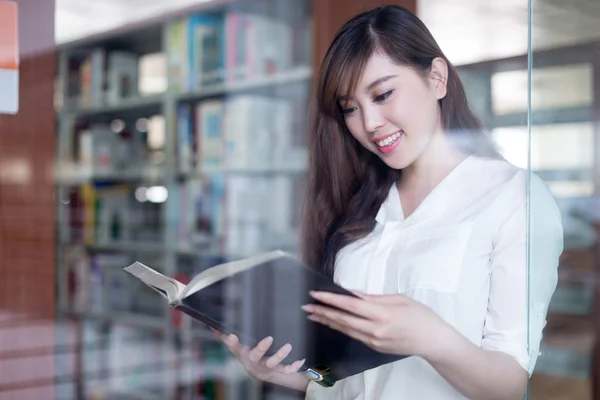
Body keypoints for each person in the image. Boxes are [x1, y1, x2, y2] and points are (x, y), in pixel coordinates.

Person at [212, 4, 564, 399]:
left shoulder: (512, 196)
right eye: (350, 108)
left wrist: (431, 338)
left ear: (436, 78)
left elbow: (509, 386)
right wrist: (283, 372)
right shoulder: (364, 207)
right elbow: (341, 378)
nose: (369, 123)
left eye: (382, 94)